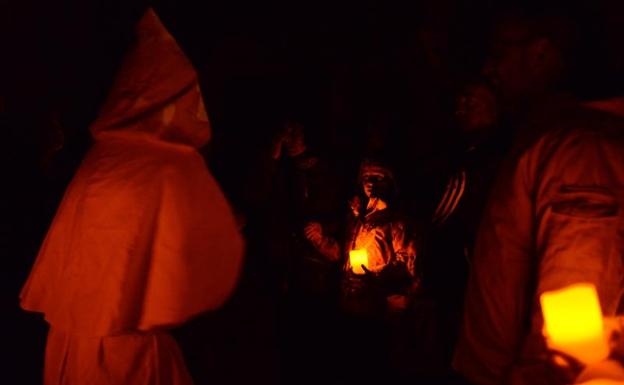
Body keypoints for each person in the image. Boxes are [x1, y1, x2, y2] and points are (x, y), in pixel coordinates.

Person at [19, 8, 244, 385]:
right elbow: (192, 254)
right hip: (127, 353)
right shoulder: (163, 166)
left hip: (72, 338)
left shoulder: (101, 158)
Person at [453, 8, 624, 385]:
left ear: (542, 53)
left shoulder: (581, 152)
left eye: (499, 53)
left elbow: (573, 343)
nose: (487, 69)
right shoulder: (546, 142)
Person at [305, 158, 420, 383]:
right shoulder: (357, 219)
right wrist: (320, 241)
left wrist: (375, 279)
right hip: (349, 308)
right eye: (367, 177)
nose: (371, 182)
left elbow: (410, 271)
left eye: (378, 178)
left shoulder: (397, 223)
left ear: (390, 182)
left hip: (377, 315)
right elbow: (345, 258)